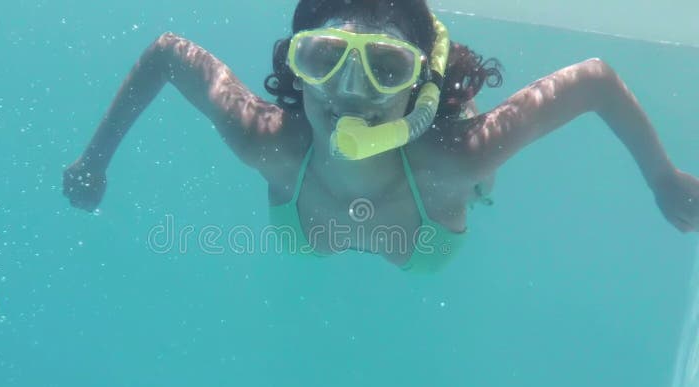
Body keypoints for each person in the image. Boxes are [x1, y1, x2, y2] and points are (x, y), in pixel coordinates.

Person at [62, 0, 699, 273]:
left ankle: (455, 96)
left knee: (481, 174)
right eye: (326, 58)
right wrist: (95, 159)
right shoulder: (269, 142)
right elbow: (170, 55)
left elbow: (594, 80)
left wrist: (662, 177)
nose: (351, 90)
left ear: (417, 89)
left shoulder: (455, 164)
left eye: (385, 67)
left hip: (439, 179)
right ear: (297, 70)